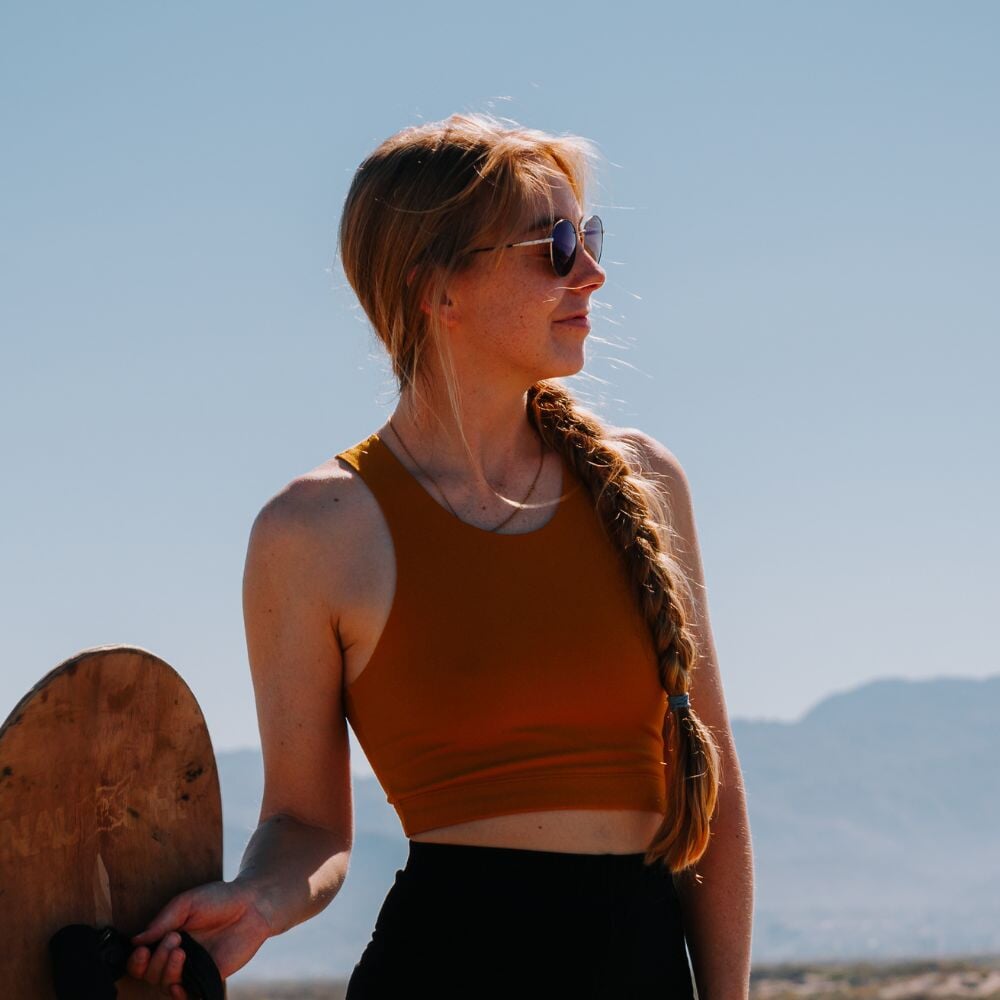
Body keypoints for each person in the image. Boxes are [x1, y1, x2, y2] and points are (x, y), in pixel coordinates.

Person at [126, 112, 754, 998]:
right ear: (437, 290)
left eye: (589, 236)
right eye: (556, 245)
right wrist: (258, 902)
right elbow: (307, 824)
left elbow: (714, 800)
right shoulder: (313, 532)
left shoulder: (645, 483)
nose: (592, 271)